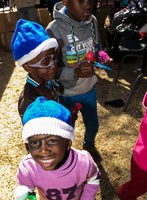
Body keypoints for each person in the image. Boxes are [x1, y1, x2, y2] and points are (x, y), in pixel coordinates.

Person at [15, 96, 101, 200]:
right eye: (35, 142)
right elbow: (25, 188)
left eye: (52, 140)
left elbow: (93, 179)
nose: (43, 150)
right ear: (28, 145)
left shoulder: (83, 162)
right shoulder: (28, 167)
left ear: (67, 143)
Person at [46, 0, 102, 161]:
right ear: (65, 1)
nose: (88, 4)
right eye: (81, 0)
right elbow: (51, 71)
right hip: (67, 93)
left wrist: (101, 58)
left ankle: (89, 145)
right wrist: (75, 72)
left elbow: (96, 49)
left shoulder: (93, 21)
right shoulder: (53, 29)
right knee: (66, 129)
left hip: (89, 89)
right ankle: (66, 156)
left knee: (93, 125)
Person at [11, 19, 59, 119]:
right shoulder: (31, 102)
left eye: (54, 58)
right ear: (28, 67)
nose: (53, 65)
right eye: (45, 62)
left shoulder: (48, 81)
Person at [117, 92, 147, 200]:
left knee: (137, 185)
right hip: (143, 161)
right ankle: (125, 194)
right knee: (137, 186)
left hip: (142, 157)